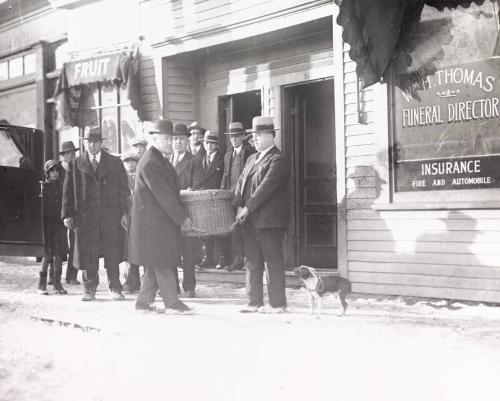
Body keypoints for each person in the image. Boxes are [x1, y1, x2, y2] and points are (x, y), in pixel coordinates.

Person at [127, 119, 195, 313]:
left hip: (156, 223)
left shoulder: (157, 160)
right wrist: (182, 219)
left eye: (171, 138)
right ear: (154, 139)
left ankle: (143, 302)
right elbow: (164, 195)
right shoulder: (150, 162)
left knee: (154, 264)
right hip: (153, 225)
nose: (170, 143)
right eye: (166, 139)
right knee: (163, 262)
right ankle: (171, 302)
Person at [62, 127, 129, 301]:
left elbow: (124, 190)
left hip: (110, 216)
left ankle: (115, 287)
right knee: (87, 252)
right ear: (84, 143)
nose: (92, 145)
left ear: (101, 143)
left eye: (95, 142)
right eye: (88, 142)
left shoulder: (115, 163)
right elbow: (67, 192)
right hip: (85, 218)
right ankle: (89, 288)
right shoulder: (75, 164)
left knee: (112, 251)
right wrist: (67, 214)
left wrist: (124, 213)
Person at [234, 116, 289, 313]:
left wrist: (247, 207)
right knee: (251, 261)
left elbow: (265, 188)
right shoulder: (251, 159)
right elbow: (240, 185)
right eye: (253, 136)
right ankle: (253, 301)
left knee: (272, 261)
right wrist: (237, 206)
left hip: (269, 222)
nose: (254, 139)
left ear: (270, 135)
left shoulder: (278, 159)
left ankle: (277, 303)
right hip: (249, 221)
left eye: (258, 135)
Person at [169, 123, 203, 297]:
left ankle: (189, 286)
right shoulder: (166, 160)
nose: (177, 143)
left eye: (181, 139)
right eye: (175, 139)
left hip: (188, 211)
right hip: (169, 213)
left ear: (187, 140)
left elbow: (196, 187)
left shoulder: (194, 160)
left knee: (189, 251)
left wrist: (180, 193)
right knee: (171, 251)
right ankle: (172, 286)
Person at [219, 122, 256, 271]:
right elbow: (226, 176)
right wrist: (223, 192)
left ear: (242, 136)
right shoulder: (228, 154)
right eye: (231, 136)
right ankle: (238, 259)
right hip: (232, 198)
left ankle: (250, 261)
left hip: (246, 199)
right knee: (234, 230)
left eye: (236, 136)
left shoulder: (250, 153)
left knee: (247, 230)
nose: (234, 139)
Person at [192, 130, 225, 269]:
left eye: (212, 143)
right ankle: (207, 257)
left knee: (219, 229)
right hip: (203, 199)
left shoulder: (222, 159)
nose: (209, 146)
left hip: (217, 199)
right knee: (205, 229)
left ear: (217, 145)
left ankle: (221, 257)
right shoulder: (200, 159)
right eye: (207, 143)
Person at [38, 160, 68, 295]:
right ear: (47, 173)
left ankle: (57, 284)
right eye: (52, 171)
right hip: (47, 224)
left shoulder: (61, 187)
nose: (55, 173)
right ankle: (41, 285)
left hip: (59, 224)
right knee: (47, 254)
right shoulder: (43, 187)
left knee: (58, 254)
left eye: (56, 170)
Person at [58, 140, 80, 285]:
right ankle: (54, 277)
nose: (72, 155)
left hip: (73, 213)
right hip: (57, 214)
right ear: (63, 156)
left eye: (73, 153)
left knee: (74, 244)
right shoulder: (56, 170)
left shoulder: (77, 168)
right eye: (69, 153)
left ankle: (71, 276)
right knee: (58, 245)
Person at [121, 151, 141, 293]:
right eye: (127, 162)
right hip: (128, 216)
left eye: (133, 161)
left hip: (142, 215)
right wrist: (123, 213)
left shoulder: (142, 175)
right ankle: (131, 280)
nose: (130, 164)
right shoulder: (121, 179)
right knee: (129, 249)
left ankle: (148, 281)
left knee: (144, 247)